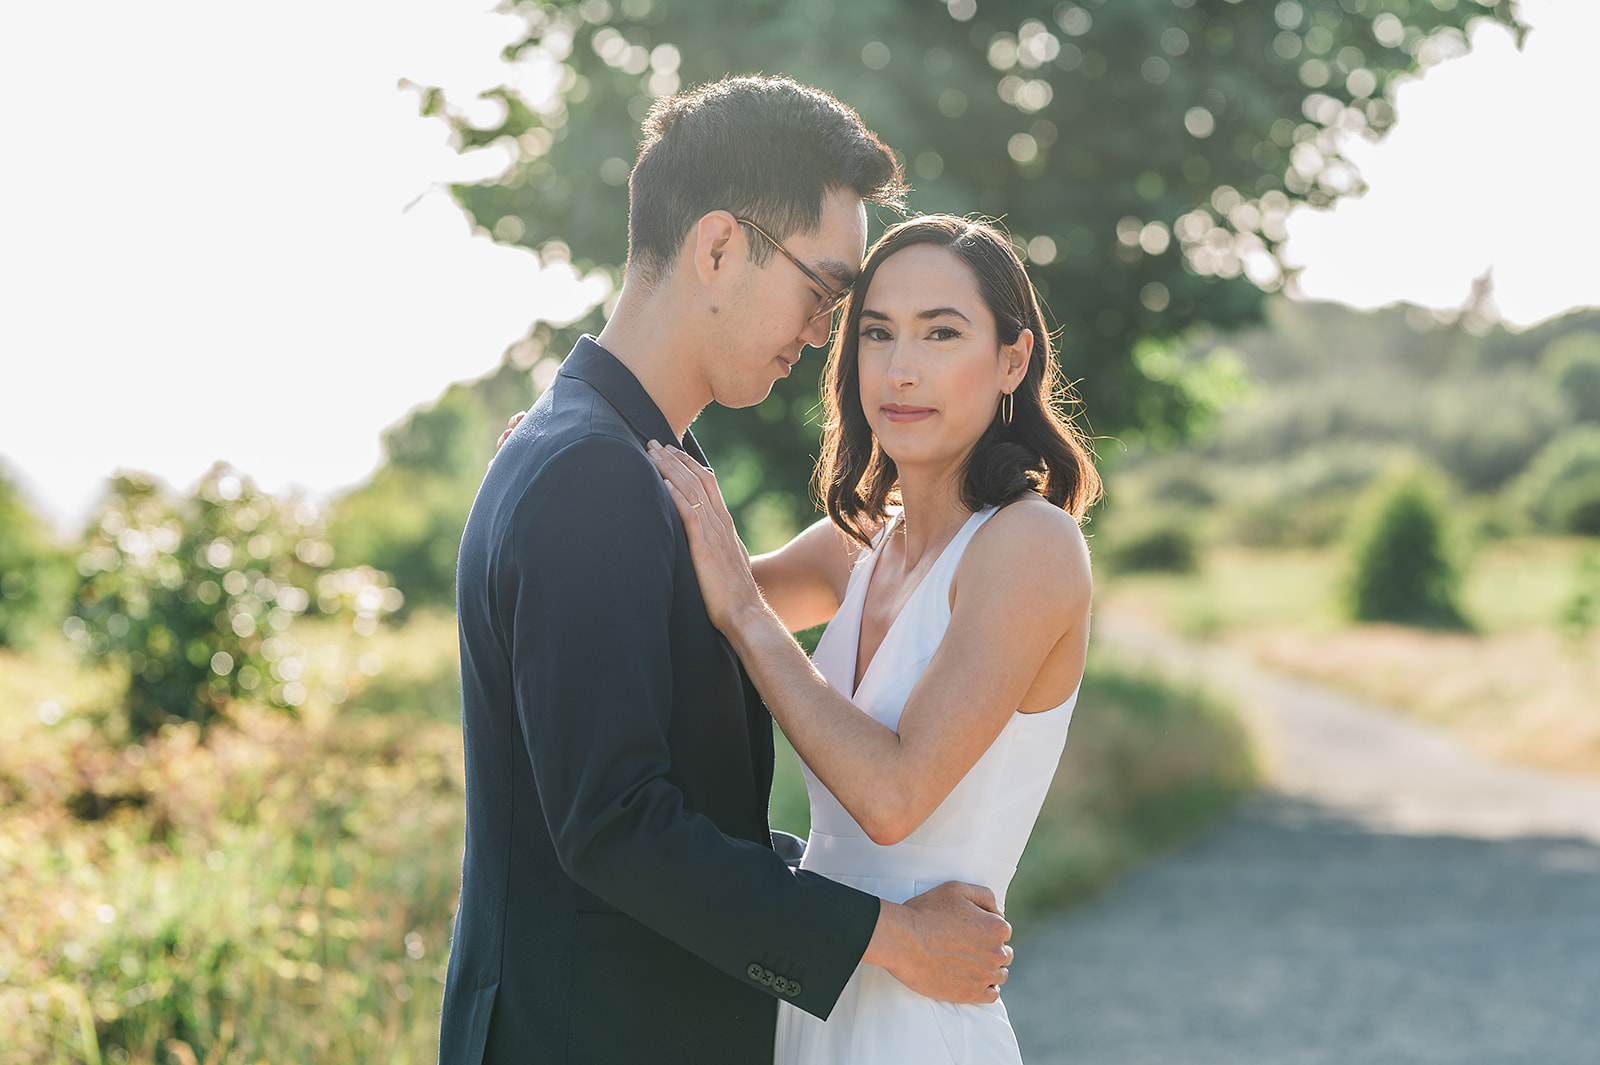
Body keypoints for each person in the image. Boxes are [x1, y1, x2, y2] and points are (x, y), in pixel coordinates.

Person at [441, 78, 1013, 1065]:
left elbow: (688, 809)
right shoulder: (589, 472)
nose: (825, 334)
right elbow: (617, 824)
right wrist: (890, 938)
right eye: (823, 292)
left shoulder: (638, 460)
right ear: (716, 248)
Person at [645, 213, 1100, 1063]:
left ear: (1013, 359)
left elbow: (893, 797)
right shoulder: (858, 543)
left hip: (921, 1025)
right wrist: (582, 452)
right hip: (810, 1009)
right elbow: (682, 588)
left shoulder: (1030, 545)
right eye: (877, 333)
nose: (902, 368)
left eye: (941, 333)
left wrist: (749, 611)